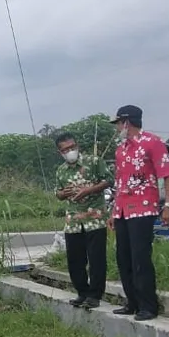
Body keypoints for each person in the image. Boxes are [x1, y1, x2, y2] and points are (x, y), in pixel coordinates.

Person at [109, 105, 169, 321]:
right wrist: (113, 211)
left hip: (143, 208)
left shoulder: (152, 143)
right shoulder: (121, 150)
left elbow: (167, 174)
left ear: (126, 122)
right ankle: (132, 302)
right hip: (122, 210)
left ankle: (148, 306)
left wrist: (168, 205)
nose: (117, 128)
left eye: (118, 123)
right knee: (123, 258)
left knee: (140, 258)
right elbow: (119, 183)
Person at [54, 132, 112, 309]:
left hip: (94, 218)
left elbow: (109, 180)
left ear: (77, 146)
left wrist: (89, 190)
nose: (69, 151)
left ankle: (95, 295)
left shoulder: (94, 162)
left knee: (96, 259)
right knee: (75, 260)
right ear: (60, 152)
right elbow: (58, 192)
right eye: (65, 150)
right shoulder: (61, 170)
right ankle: (82, 292)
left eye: (72, 147)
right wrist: (63, 194)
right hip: (73, 221)